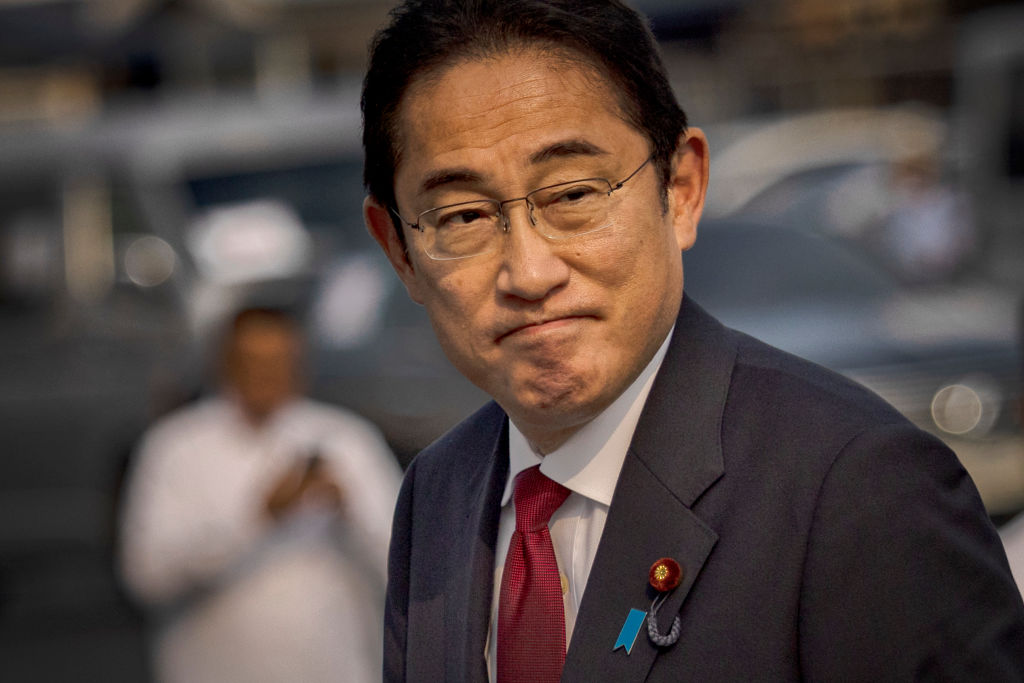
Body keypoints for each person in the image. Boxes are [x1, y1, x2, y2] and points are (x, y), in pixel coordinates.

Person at [361, 0, 1024, 681]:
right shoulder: (439, 493)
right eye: (463, 214)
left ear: (681, 189)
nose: (529, 271)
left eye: (573, 195)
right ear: (400, 252)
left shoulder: (858, 490)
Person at [118, 306, 402, 683]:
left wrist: (351, 510)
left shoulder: (346, 439)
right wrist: (257, 518)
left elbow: (406, 568)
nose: (267, 375)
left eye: (279, 361)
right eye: (253, 361)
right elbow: (146, 577)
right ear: (224, 363)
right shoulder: (174, 448)